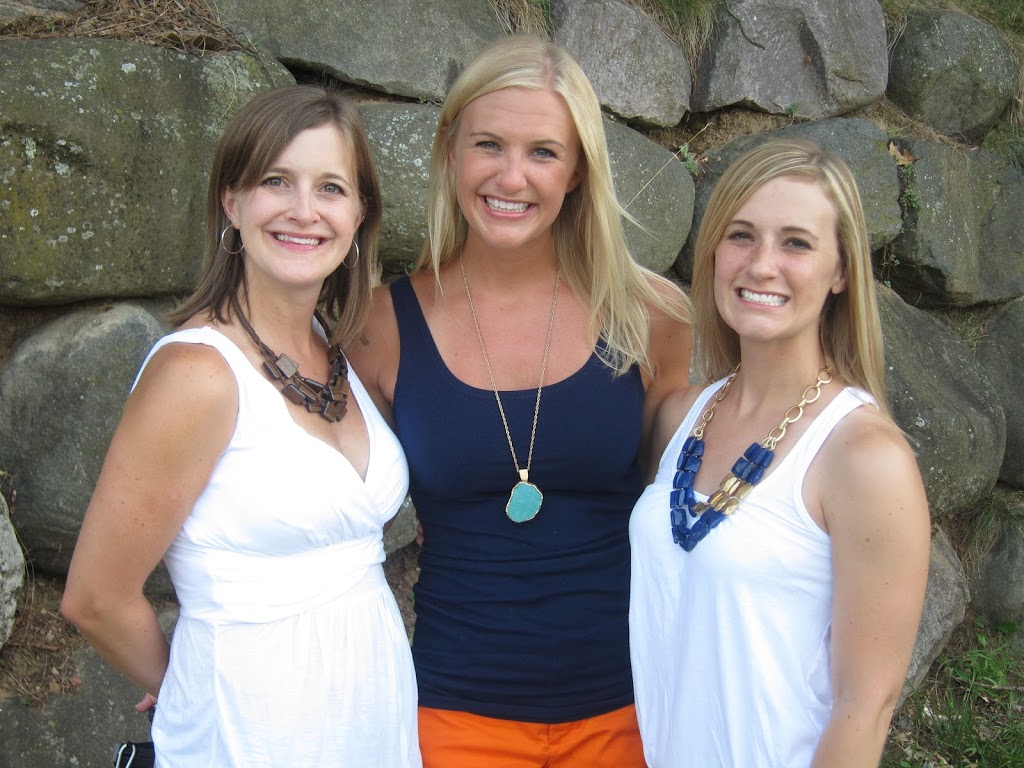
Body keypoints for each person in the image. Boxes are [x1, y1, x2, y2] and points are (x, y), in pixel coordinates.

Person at [347, 35, 691, 768]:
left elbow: (688, 505)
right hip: (453, 716)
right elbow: (320, 509)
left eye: (543, 152)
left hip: (631, 710)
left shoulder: (650, 316)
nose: (512, 176)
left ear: (578, 170)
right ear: (450, 150)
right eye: (488, 145)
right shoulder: (378, 328)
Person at [61, 85, 421, 767]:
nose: (304, 210)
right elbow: (96, 598)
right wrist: (184, 685)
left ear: (359, 215)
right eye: (275, 181)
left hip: (373, 714)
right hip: (248, 729)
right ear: (231, 202)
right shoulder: (198, 374)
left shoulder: (334, 348)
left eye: (331, 188)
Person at [628, 137, 931, 767]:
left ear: (841, 272)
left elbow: (865, 704)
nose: (762, 265)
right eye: (741, 235)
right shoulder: (682, 417)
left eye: (796, 243)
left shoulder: (864, 458)